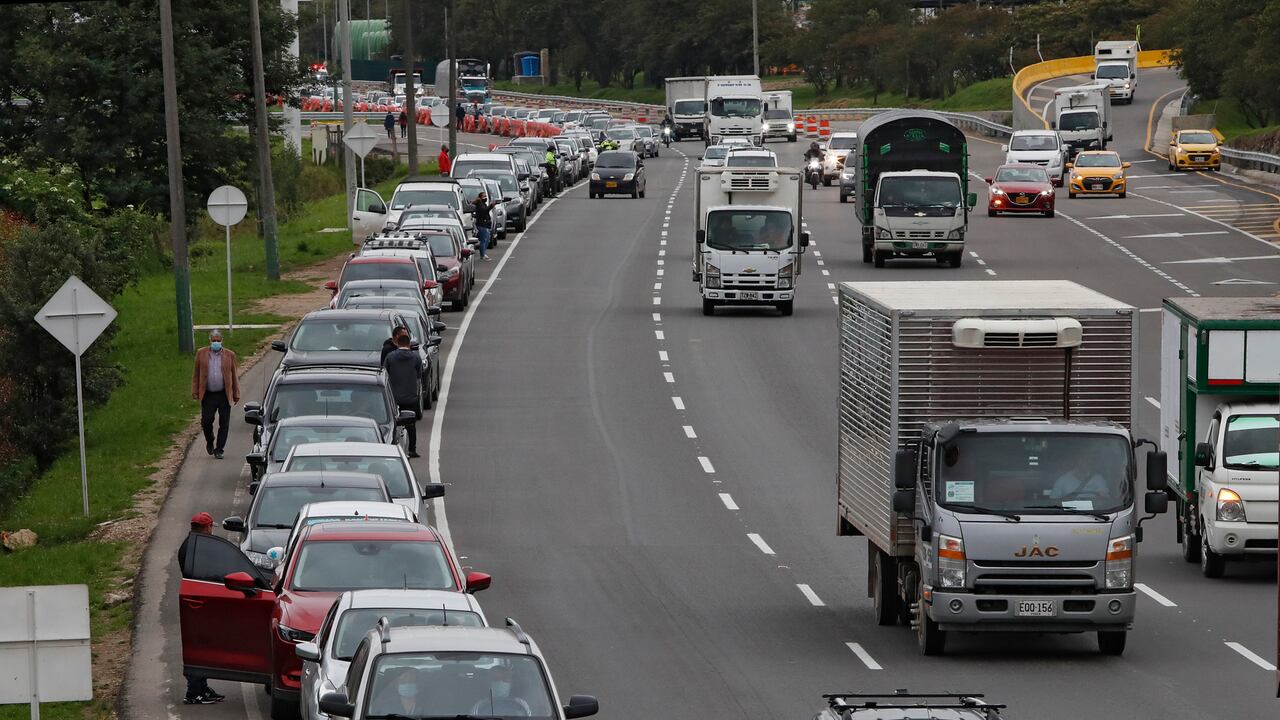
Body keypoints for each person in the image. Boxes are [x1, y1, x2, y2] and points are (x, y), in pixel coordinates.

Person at [178, 512, 226, 705]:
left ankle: (201, 687)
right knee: (198, 646)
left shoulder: (188, 545)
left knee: (203, 644)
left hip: (198, 601)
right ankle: (194, 692)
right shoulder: (199, 548)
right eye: (210, 527)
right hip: (198, 603)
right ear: (207, 528)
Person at [191, 330, 239, 459]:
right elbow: (196, 373)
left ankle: (219, 449)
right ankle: (210, 440)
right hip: (208, 394)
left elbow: (234, 375)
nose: (216, 343)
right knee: (206, 421)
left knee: (224, 423)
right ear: (210, 341)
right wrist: (195, 390)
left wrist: (236, 393)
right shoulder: (201, 354)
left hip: (224, 394)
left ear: (222, 340)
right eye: (214, 340)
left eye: (218, 340)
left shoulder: (230, 355)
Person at [383, 333, 423, 458]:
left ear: (398, 343)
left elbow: (385, 374)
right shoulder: (415, 358)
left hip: (394, 396)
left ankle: (393, 446)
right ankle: (412, 449)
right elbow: (419, 375)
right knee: (411, 422)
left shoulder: (390, 357)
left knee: (393, 422)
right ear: (409, 344)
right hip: (410, 396)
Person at [472, 190, 495, 259]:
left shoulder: (482, 204)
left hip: (485, 224)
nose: (485, 197)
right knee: (484, 240)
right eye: (484, 196)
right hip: (482, 225)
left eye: (485, 196)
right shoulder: (480, 204)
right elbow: (484, 211)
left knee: (487, 239)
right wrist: (491, 205)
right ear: (480, 197)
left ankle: (483, 253)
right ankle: (482, 255)